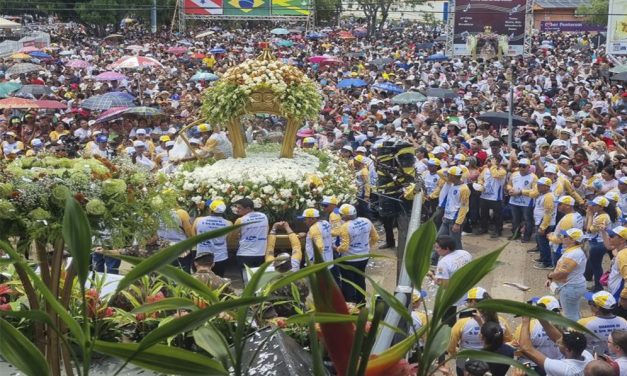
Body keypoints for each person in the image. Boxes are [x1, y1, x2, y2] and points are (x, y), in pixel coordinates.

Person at [448, 287, 512, 375]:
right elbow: (508, 341)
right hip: (492, 362)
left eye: (468, 302)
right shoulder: (501, 322)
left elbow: (451, 348)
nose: (466, 305)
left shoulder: (461, 323)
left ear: (474, 302)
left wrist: (458, 355)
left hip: (466, 364)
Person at [518, 316, 593, 376]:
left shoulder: (564, 368)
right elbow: (558, 338)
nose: (557, 343)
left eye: (561, 344)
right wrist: (541, 317)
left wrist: (525, 321)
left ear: (567, 350)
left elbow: (526, 348)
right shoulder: (587, 356)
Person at [336, 203, 378, 303]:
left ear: (345, 216)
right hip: (364, 257)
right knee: (360, 279)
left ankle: (351, 304)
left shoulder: (345, 226)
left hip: (349, 260)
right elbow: (375, 237)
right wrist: (366, 247)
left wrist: (336, 249)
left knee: (348, 283)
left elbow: (344, 247)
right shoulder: (366, 221)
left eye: (341, 215)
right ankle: (361, 302)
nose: (340, 216)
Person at [513, 296, 563, 376]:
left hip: (535, 366)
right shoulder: (568, 327)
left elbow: (517, 352)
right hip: (558, 366)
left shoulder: (526, 328)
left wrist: (525, 320)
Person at [546, 228, 588, 321]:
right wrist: (551, 279)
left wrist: (550, 276)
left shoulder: (574, 253)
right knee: (574, 312)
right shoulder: (573, 250)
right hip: (573, 286)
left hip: (570, 287)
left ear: (573, 240)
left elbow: (563, 272)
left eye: (565, 236)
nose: (562, 237)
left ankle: (575, 334)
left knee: (570, 316)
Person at [430, 236, 472, 326]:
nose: (435, 249)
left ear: (447, 248)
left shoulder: (443, 262)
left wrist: (432, 276)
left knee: (448, 321)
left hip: (452, 295)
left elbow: (444, 284)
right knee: (466, 322)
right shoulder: (465, 253)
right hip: (468, 292)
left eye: (437, 247)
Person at [578, 291, 627, 356]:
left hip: (594, 359)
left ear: (597, 307)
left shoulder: (583, 323)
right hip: (619, 359)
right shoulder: (623, 321)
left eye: (590, 303)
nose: (589, 305)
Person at [584, 196, 617, 292]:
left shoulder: (602, 217)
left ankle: (598, 287)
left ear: (601, 207)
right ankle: (593, 282)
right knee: (593, 263)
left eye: (594, 205)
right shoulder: (598, 214)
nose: (591, 206)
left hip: (599, 244)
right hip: (596, 243)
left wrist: (589, 215)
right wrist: (589, 214)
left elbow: (589, 230)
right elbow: (586, 226)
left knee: (596, 266)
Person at [192, 200, 232, 277]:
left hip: (202, 256)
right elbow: (227, 240)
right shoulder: (229, 223)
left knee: (201, 281)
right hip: (220, 256)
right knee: (218, 281)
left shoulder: (198, 220)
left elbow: (194, 237)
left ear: (210, 210)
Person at [262, 253, 309, 319]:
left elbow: (267, 299)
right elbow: (306, 294)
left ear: (277, 267)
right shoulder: (299, 278)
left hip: (280, 316)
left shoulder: (272, 282)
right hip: (299, 314)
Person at [300, 208, 339, 285]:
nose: (304, 222)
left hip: (320, 266)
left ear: (312, 219)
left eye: (305, 219)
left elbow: (319, 247)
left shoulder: (313, 229)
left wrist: (313, 263)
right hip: (329, 261)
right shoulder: (325, 222)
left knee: (321, 288)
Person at [229, 198, 269, 272]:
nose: (237, 210)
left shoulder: (240, 220)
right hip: (261, 253)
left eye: (239, 208)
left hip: (245, 254)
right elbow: (266, 231)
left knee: (247, 280)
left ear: (248, 208)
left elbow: (232, 237)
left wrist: (239, 236)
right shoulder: (264, 216)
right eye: (236, 207)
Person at [437, 166, 471, 250]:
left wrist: (458, 223)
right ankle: (434, 259)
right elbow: (440, 172)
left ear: (453, 176)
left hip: (454, 220)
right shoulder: (451, 184)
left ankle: (461, 261)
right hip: (447, 218)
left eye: (449, 174)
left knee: (455, 243)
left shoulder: (464, 189)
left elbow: (464, 207)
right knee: (439, 239)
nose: (447, 176)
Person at [506, 158, 537, 242]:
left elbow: (535, 191)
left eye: (524, 166)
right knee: (515, 219)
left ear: (529, 167)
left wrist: (520, 192)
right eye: (520, 166)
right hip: (514, 201)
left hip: (527, 203)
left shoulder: (533, 177)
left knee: (528, 220)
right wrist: (510, 189)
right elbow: (509, 184)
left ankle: (526, 236)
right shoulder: (514, 174)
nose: (521, 168)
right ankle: (515, 234)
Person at [476, 155, 507, 238]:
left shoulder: (502, 171)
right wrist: (480, 184)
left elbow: (495, 175)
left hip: (496, 197)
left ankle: (498, 230)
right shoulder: (485, 170)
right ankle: (483, 228)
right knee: (483, 214)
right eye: (488, 161)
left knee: (497, 215)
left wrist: (493, 166)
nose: (488, 162)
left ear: (497, 162)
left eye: (490, 161)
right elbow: (480, 178)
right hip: (484, 195)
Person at [548, 196, 584, 265]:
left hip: (561, 250)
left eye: (560, 204)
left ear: (568, 206)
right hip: (570, 248)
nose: (558, 206)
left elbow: (561, 239)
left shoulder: (568, 219)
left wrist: (550, 237)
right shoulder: (577, 215)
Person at [157, 207, 194, 272]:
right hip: (181, 248)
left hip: (163, 248)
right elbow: (190, 233)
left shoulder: (156, 214)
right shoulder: (181, 213)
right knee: (183, 272)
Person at [532, 177, 557, 270]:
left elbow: (548, 213)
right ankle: (543, 258)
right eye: (538, 184)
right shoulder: (543, 194)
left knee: (544, 243)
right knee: (541, 243)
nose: (538, 187)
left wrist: (543, 227)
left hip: (545, 224)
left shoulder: (549, 197)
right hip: (540, 221)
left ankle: (547, 263)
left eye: (540, 185)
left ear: (547, 187)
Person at [606, 226, 627, 319]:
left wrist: (623, 297)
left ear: (622, 240)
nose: (609, 238)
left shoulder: (623, 255)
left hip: (619, 298)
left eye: (612, 236)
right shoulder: (621, 252)